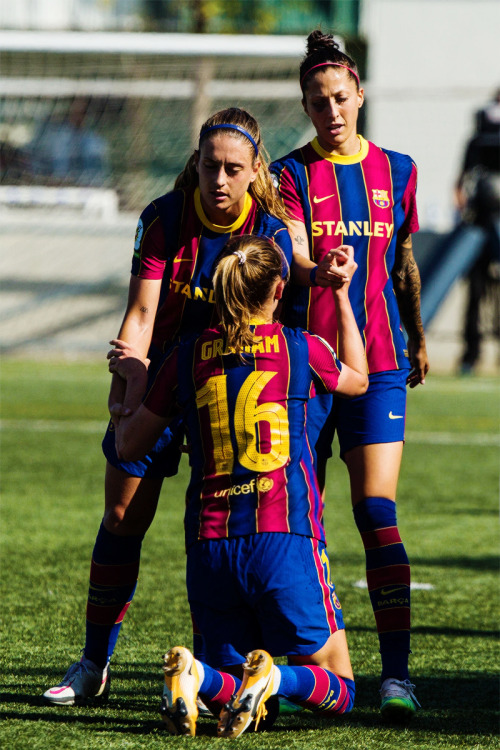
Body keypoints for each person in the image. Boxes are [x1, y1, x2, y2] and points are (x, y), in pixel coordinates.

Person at [43, 108, 294, 706]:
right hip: (161, 378)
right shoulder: (163, 217)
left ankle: (217, 675)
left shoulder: (271, 231)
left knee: (216, 532)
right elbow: (142, 314)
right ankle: (94, 664)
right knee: (122, 518)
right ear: (197, 163)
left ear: (256, 169)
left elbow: (272, 324)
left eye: (235, 168)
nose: (222, 179)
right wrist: (124, 394)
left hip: (227, 390)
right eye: (212, 166)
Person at [110, 234, 368, 738]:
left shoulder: (184, 357)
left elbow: (127, 447)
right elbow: (358, 377)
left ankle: (196, 674)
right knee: (341, 688)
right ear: (279, 288)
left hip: (210, 544)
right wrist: (339, 293)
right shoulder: (301, 348)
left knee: (229, 695)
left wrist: (134, 385)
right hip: (285, 536)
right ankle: (274, 677)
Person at [271, 30, 429, 720]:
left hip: (385, 364)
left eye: (340, 97)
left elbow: (404, 264)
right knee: (301, 520)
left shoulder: (399, 169)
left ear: (359, 94)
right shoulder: (290, 175)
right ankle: (312, 665)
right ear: (305, 106)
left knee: (376, 510)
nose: (331, 110)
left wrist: (419, 337)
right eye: (317, 101)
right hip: (310, 366)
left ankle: (397, 677)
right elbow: (295, 257)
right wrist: (317, 271)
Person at [454, 90, 500, 374]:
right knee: (477, 289)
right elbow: (460, 185)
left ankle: (473, 354)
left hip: (486, 221)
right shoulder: (479, 140)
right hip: (481, 223)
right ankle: (471, 354)